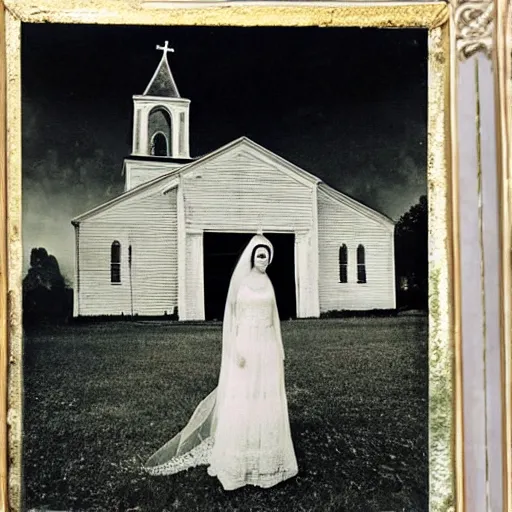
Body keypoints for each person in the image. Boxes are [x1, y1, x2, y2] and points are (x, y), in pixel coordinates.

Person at [144, 234, 298, 491]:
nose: (263, 260)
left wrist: (279, 348)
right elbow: (232, 320)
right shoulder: (242, 283)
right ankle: (240, 455)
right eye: (259, 255)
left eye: (266, 256)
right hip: (246, 343)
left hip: (267, 345)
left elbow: (274, 317)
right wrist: (235, 350)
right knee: (245, 395)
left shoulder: (268, 283)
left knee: (266, 394)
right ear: (252, 257)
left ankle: (268, 456)